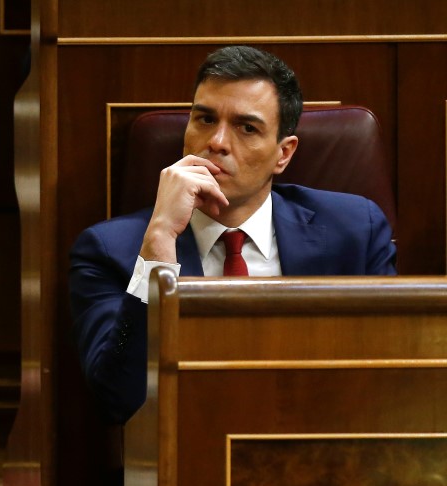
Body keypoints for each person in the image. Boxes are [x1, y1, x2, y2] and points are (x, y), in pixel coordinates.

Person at [69, 45, 397, 426]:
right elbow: (119, 395)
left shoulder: (355, 232)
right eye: (205, 120)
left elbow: (381, 383)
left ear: (283, 154)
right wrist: (159, 244)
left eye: (247, 128)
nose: (218, 142)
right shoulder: (110, 251)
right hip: (187, 457)